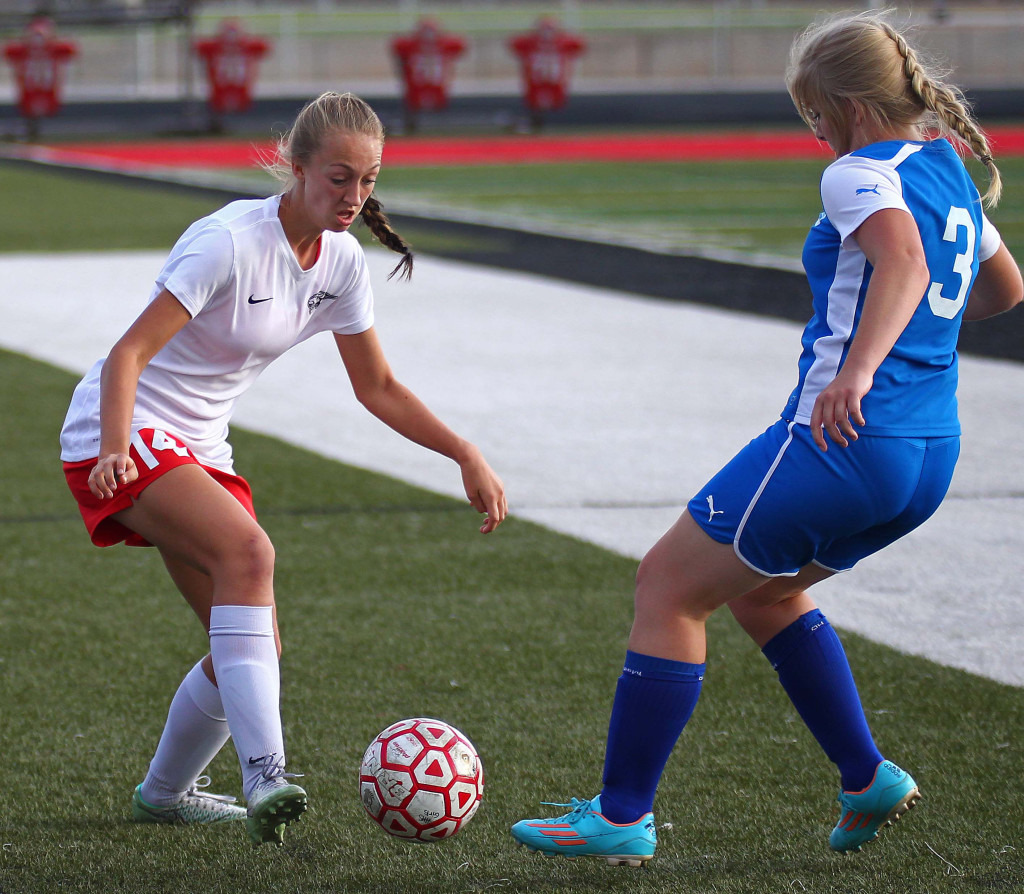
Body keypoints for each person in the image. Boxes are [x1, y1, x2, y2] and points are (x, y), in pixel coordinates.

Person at [511, 12, 1023, 866]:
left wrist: (860, 370)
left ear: (853, 109)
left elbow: (903, 267)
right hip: (932, 452)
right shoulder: (947, 167)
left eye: (816, 117)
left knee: (667, 586)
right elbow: (1001, 289)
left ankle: (621, 816)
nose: (815, 135)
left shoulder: (861, 171)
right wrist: (913, 347)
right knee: (762, 591)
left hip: (847, 440)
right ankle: (867, 779)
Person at [60, 91, 507, 847]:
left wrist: (463, 451)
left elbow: (379, 389)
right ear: (293, 169)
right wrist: (113, 447)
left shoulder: (341, 263)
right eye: (338, 178)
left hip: (199, 447)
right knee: (251, 554)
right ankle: (267, 774)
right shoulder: (227, 241)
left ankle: (164, 794)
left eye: (367, 181)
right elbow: (128, 355)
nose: (353, 197)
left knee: (247, 652)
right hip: (125, 425)